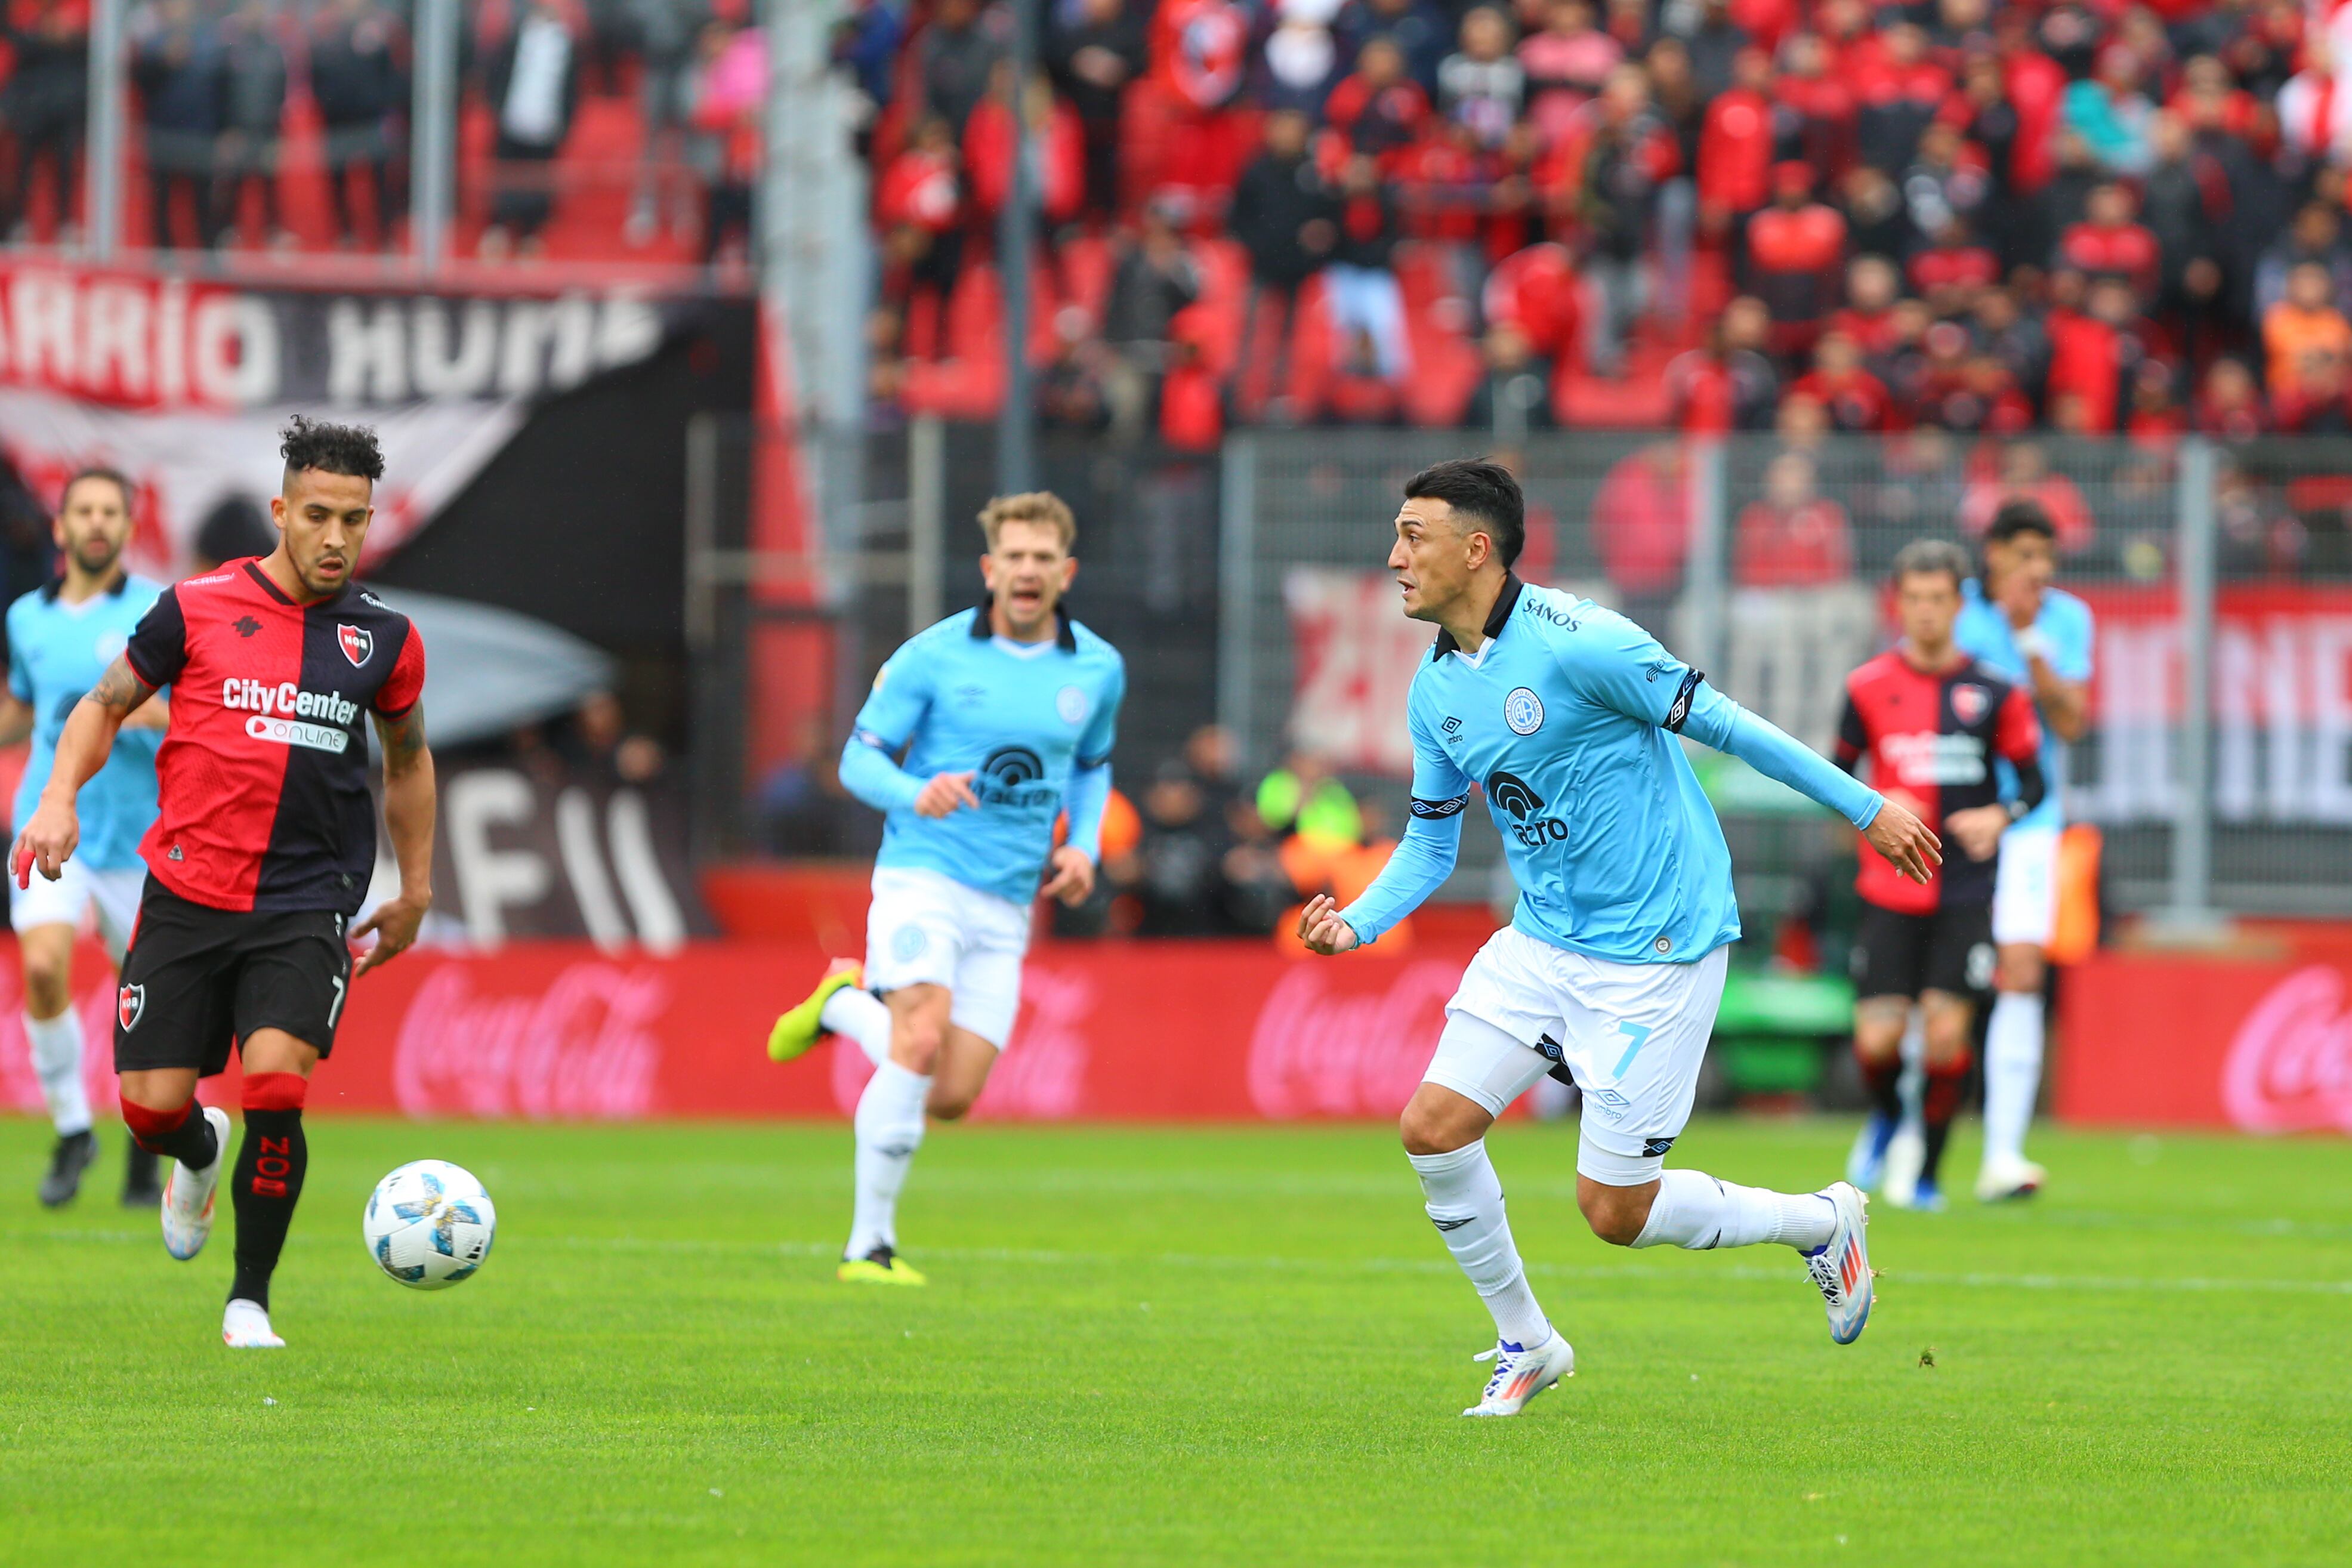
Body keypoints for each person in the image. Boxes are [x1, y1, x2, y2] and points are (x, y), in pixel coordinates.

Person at [1296, 459, 1939, 1417]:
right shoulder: (1435, 689)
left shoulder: (1581, 641)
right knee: (1431, 1129)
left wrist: (1864, 808)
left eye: (1411, 536)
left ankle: (1819, 1221)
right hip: (1544, 943)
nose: (1393, 558)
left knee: (1614, 1214)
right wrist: (1357, 920)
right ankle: (1527, 1342)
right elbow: (1430, 845)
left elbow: (1726, 724)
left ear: (1476, 549)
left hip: (1657, 950)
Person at [10, 417, 435, 1350]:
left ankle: (250, 1299)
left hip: (303, 905)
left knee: (278, 1089)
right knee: (153, 1109)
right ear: (281, 511)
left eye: (353, 522)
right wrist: (54, 800)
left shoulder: (385, 640)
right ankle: (196, 1152)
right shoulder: (193, 607)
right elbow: (103, 704)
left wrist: (416, 889)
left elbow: (407, 762)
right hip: (187, 897)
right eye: (317, 515)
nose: (334, 539)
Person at [764, 492, 1125, 1286]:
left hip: (1007, 901)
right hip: (921, 873)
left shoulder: (1096, 668)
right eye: (1014, 557)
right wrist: (912, 791)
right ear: (990, 569)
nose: (1027, 572)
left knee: (951, 1095)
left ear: (1064, 573)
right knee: (918, 1040)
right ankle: (869, 1248)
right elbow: (860, 760)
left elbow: (1093, 767)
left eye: (1043, 559)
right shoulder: (932, 656)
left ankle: (840, 1004)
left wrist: (1084, 848)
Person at [1835, 540, 2043, 1212]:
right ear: (1897, 602)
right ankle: (1889, 1117)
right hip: (1890, 889)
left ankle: (1926, 1173)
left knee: (1948, 1035)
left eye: (1938, 599)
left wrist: (1999, 815)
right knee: (1878, 1041)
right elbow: (1836, 779)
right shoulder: (1866, 686)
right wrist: (1873, 814)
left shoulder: (1995, 690)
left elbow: (2034, 784)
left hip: (1965, 888)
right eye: (1914, 599)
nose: (1925, 612)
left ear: (1959, 605)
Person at [2, 471, 168, 1208]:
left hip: (138, 835)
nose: (97, 523)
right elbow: (22, 710)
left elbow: (183, 712)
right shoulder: (25, 619)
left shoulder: (158, 612)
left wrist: (117, 714)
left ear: (129, 529)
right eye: (84, 511)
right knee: (42, 970)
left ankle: (145, 1138)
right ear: (62, 528)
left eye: (111, 511)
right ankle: (74, 1130)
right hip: (50, 821)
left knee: (148, 1002)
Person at [1953, 499, 2092, 1203]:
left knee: (2022, 968)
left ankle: (2003, 1153)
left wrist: (2029, 638)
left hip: (2031, 819)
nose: (2037, 570)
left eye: (2046, 558)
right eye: (2025, 555)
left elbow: (2069, 721)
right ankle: (1899, 1136)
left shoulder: (2065, 619)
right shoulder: (1952, 612)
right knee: (1938, 975)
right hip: (1954, 815)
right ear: (1995, 553)